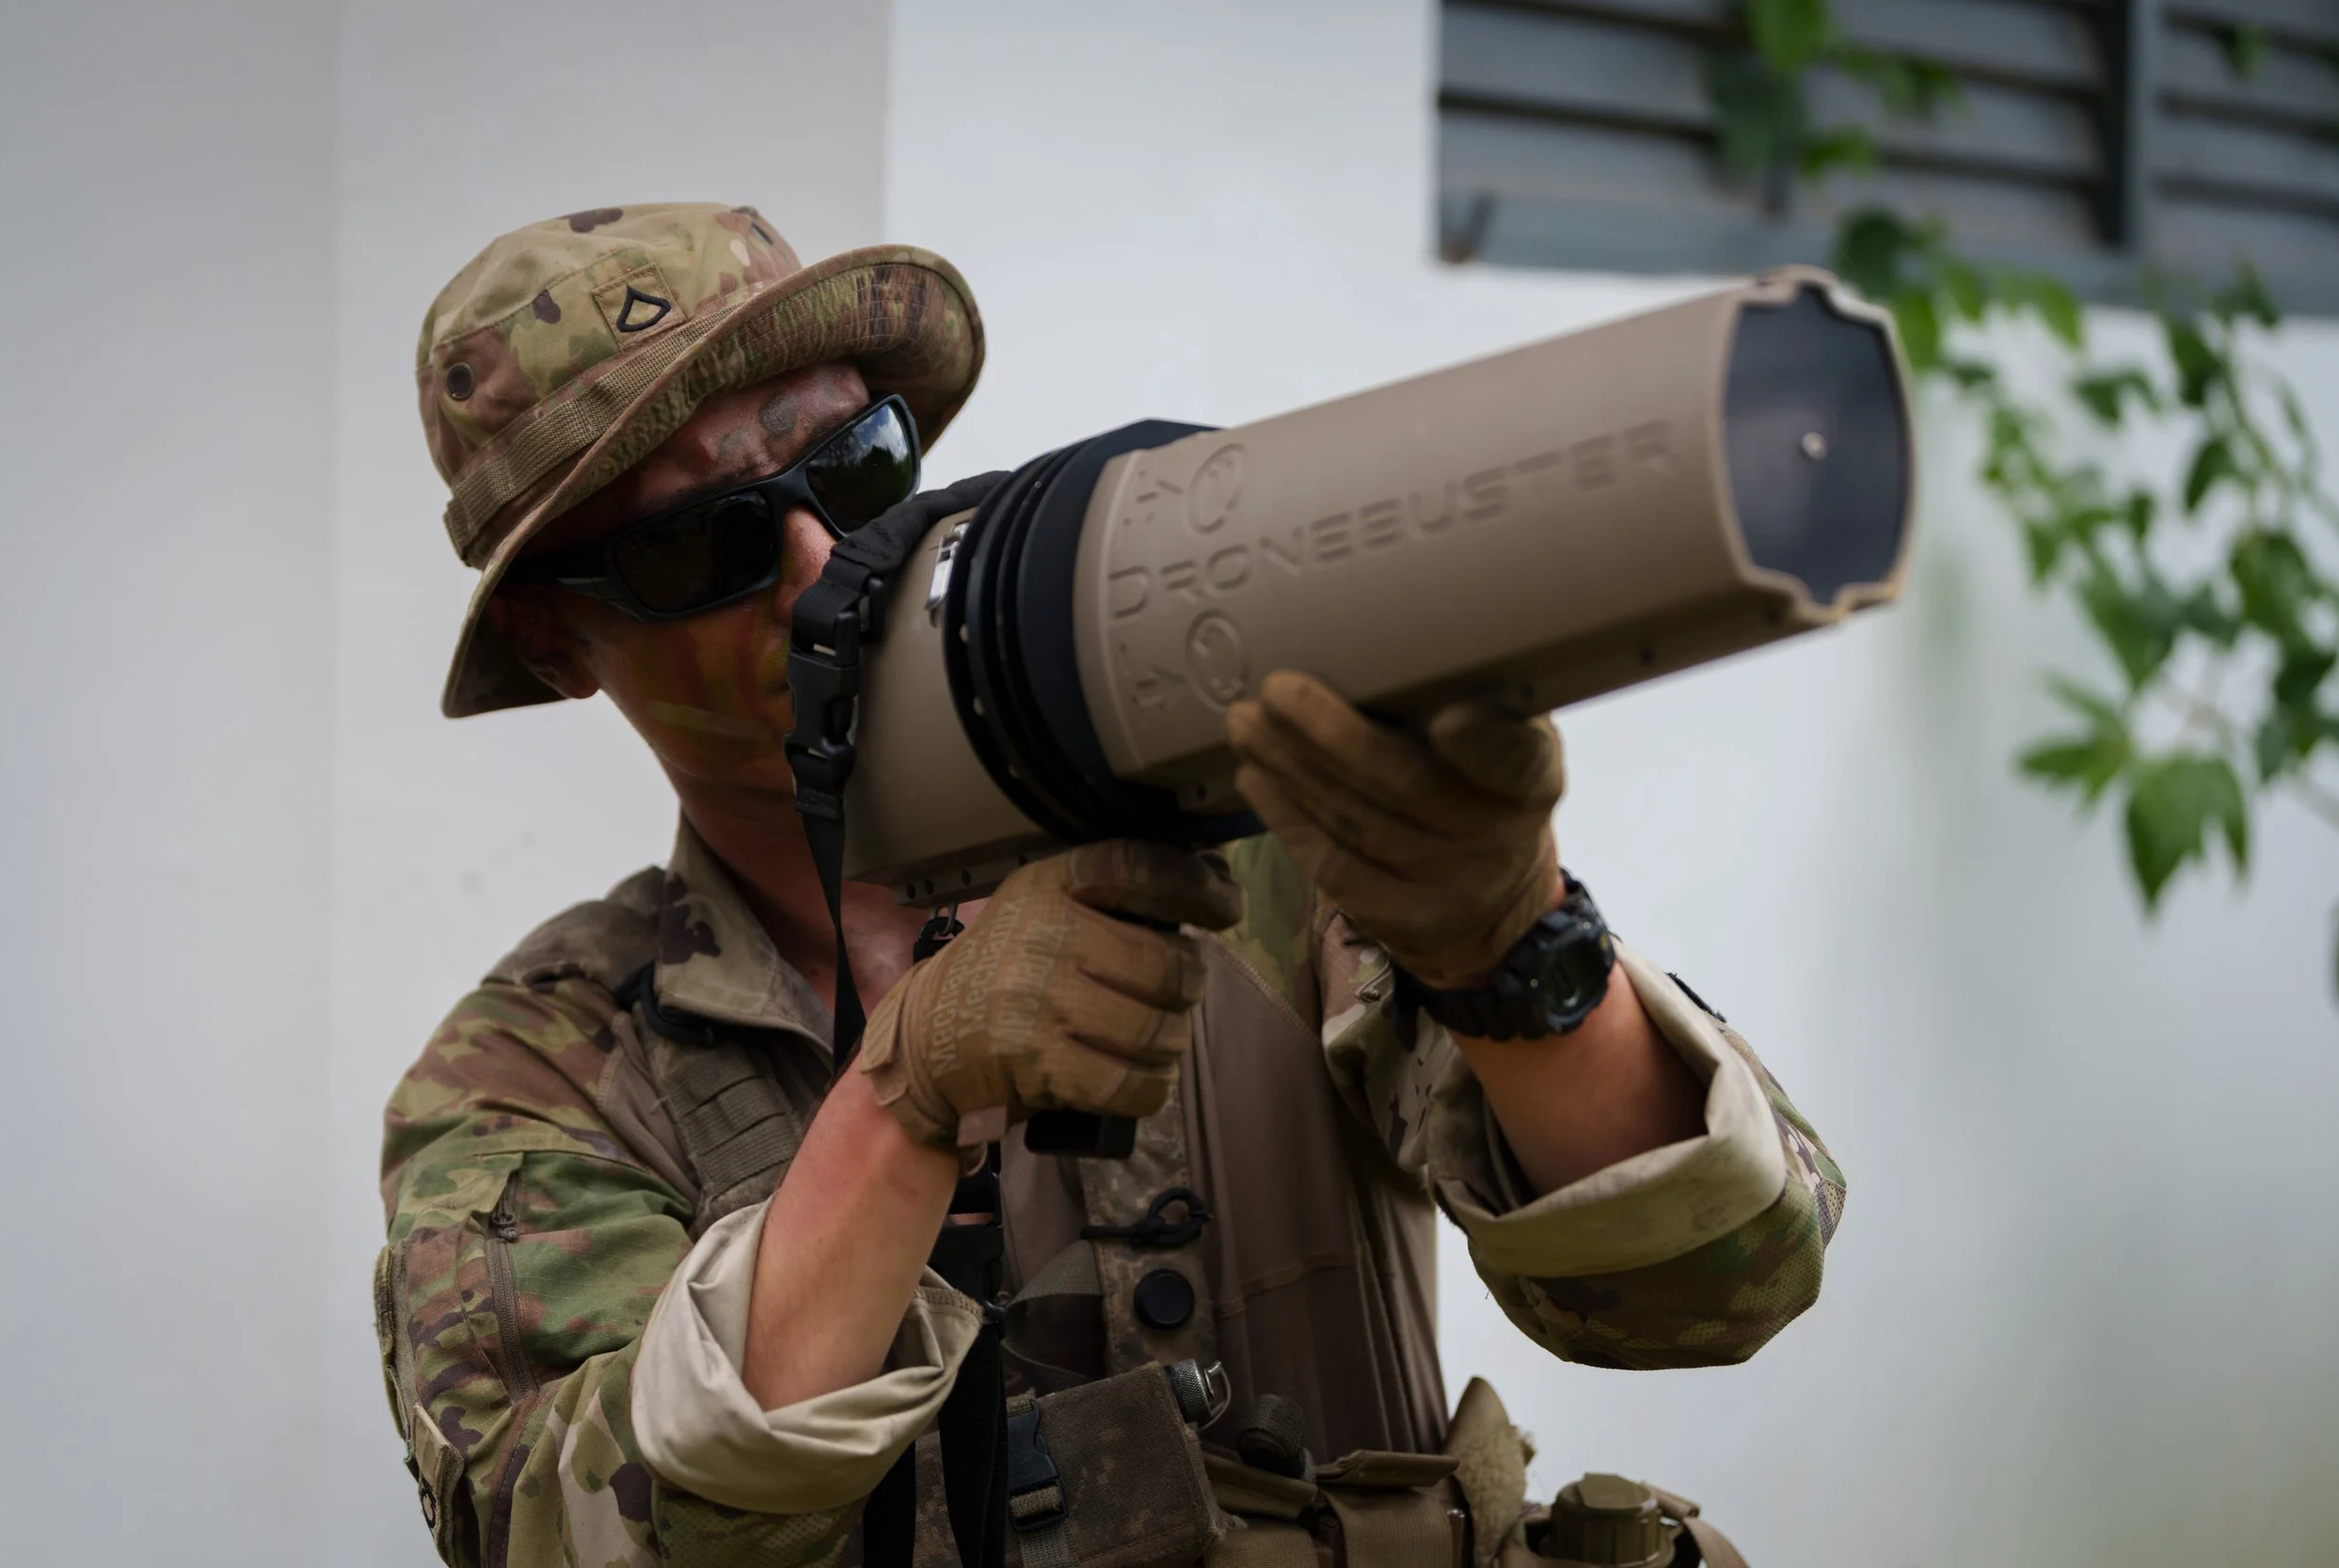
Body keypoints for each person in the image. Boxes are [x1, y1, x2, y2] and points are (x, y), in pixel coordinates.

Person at [375, 204, 1845, 1568]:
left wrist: (1511, 950)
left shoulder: (1247, 843)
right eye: (705, 539)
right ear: (560, 640)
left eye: (855, 462)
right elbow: (567, 1530)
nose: (819, 557)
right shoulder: (538, 1076)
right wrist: (902, 1104)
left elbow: (1722, 1279)